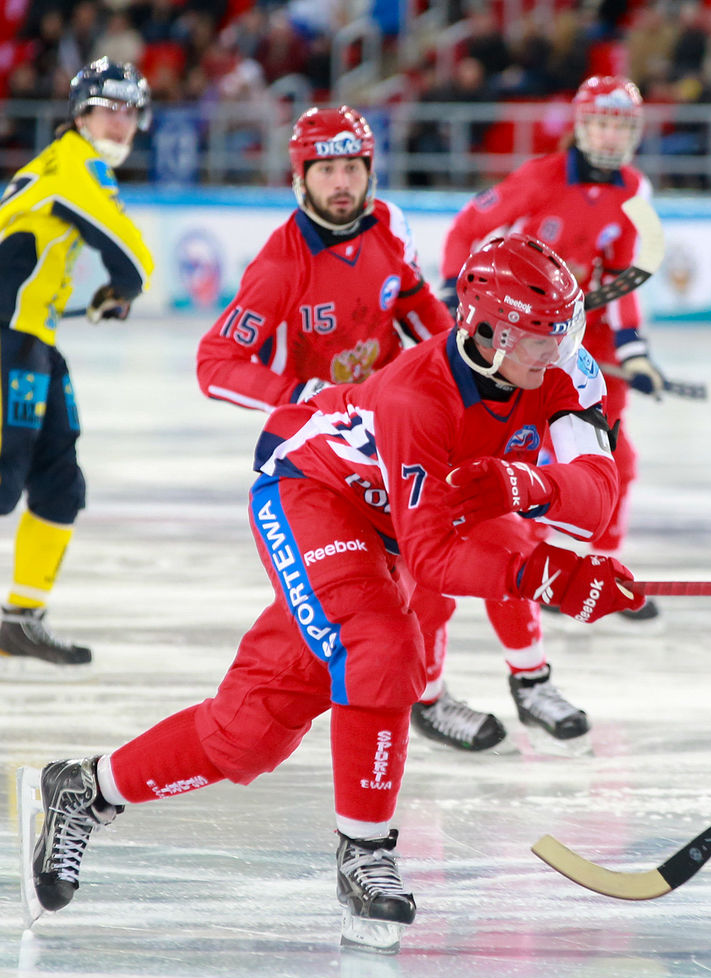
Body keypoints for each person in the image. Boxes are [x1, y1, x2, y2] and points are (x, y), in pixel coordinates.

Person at [23, 236, 646, 952]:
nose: (560, 348)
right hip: (314, 492)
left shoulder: (563, 366)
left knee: (249, 732)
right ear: (486, 331)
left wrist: (532, 486)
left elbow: (596, 493)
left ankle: (87, 789)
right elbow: (434, 557)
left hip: (399, 519)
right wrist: (546, 573)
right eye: (540, 334)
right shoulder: (418, 396)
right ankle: (365, 854)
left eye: (564, 329)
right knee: (383, 645)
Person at [193, 106, 510, 754]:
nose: (341, 183)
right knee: (357, 601)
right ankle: (292, 716)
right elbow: (215, 362)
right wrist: (302, 394)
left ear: (370, 171)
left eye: (352, 168)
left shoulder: (388, 227)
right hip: (315, 452)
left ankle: (426, 694)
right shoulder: (281, 267)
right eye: (326, 170)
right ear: (300, 178)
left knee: (431, 571)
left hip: (387, 433)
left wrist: (475, 359)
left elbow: (420, 312)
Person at [437, 74, 668, 747]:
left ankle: (596, 563)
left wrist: (635, 347)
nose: (610, 136)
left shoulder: (634, 190)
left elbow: (622, 278)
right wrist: (456, 300)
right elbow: (468, 228)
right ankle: (545, 573)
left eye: (621, 125)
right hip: (521, 337)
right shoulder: (539, 178)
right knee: (517, 471)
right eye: (600, 122)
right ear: (580, 125)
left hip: (583, 338)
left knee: (614, 458)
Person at [0, 57, 154, 679]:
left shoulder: (59, 164)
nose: (121, 121)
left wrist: (112, 294)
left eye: (131, 110)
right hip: (2, 338)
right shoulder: (74, 166)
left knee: (60, 484)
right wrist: (120, 292)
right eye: (109, 108)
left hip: (32, 339)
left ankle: (21, 620)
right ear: (80, 115)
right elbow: (132, 256)